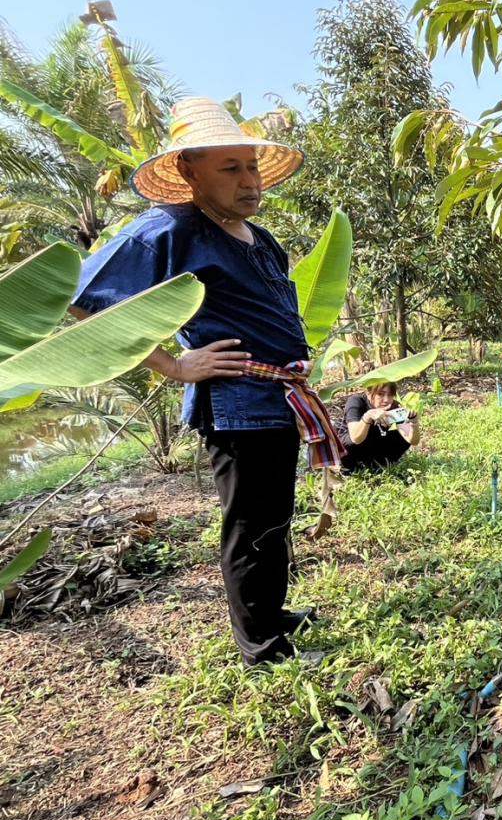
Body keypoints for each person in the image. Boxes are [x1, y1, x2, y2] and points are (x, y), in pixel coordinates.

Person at [69, 97, 338, 667]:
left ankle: (273, 612)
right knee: (249, 523)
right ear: (189, 172)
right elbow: (85, 303)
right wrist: (173, 365)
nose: (249, 182)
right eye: (230, 168)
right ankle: (262, 647)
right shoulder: (167, 231)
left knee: (273, 518)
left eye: (252, 167)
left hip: (278, 396)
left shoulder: (259, 238)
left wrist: (293, 359)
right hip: (235, 406)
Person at [340, 382, 419, 474]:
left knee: (401, 438)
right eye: (380, 394)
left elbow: (412, 440)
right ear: (368, 394)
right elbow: (355, 438)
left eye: (390, 395)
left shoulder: (393, 406)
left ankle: (379, 464)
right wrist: (368, 416)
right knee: (350, 443)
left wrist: (414, 423)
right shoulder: (356, 402)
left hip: (373, 442)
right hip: (351, 444)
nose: (386, 400)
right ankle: (348, 469)